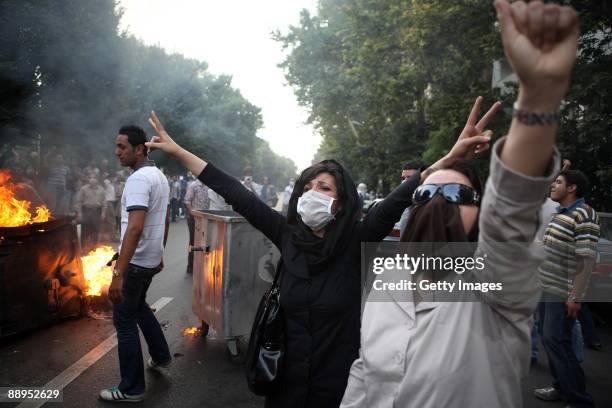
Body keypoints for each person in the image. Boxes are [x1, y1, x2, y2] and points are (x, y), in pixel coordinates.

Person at [144, 90, 495, 406]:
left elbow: (402, 195)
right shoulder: (286, 234)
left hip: (341, 390)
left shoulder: (359, 238)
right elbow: (235, 191)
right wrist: (177, 151)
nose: (312, 193)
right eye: (307, 186)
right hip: (284, 387)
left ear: (341, 203)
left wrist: (451, 156)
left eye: (324, 188)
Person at [340, 1, 578, 407]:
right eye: (426, 194)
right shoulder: (389, 279)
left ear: (481, 211)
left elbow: (512, 213)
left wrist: (538, 98)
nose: (438, 202)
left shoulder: (492, 283)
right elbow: (365, 371)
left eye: (456, 195)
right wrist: (448, 160)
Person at [99, 125, 171, 403]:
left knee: (124, 321)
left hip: (136, 263)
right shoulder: (159, 176)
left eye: (122, 147)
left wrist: (118, 273)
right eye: (116, 146)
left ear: (139, 149)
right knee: (139, 307)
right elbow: (162, 219)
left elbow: (135, 228)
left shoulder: (139, 180)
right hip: (148, 260)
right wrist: (160, 253)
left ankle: (131, 388)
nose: (117, 152)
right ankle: (162, 356)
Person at [534, 169, 600, 407]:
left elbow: (586, 259)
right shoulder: (561, 213)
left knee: (556, 342)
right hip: (546, 286)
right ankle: (562, 387)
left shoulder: (585, 214)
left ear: (572, 188)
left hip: (561, 291)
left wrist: (575, 296)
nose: (552, 185)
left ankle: (579, 399)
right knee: (551, 340)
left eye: (558, 182)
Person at [184, 178, 210, 274]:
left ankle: (203, 265)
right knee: (193, 241)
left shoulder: (209, 186)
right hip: (194, 218)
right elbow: (187, 201)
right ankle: (190, 266)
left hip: (206, 218)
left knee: (206, 241)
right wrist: (194, 215)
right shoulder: (193, 185)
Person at [77, 177, 105, 253]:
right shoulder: (83, 189)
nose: (92, 181)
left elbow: (104, 203)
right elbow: (79, 201)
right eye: (91, 179)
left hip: (96, 212)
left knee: (95, 230)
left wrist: (103, 213)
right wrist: (79, 213)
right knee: (85, 231)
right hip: (86, 211)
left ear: (97, 181)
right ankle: (83, 248)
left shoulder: (101, 190)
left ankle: (93, 249)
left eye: (94, 179)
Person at [398, 161, 426, 236]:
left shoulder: (429, 207)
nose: (405, 182)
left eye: (410, 178)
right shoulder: (404, 206)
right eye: (403, 178)